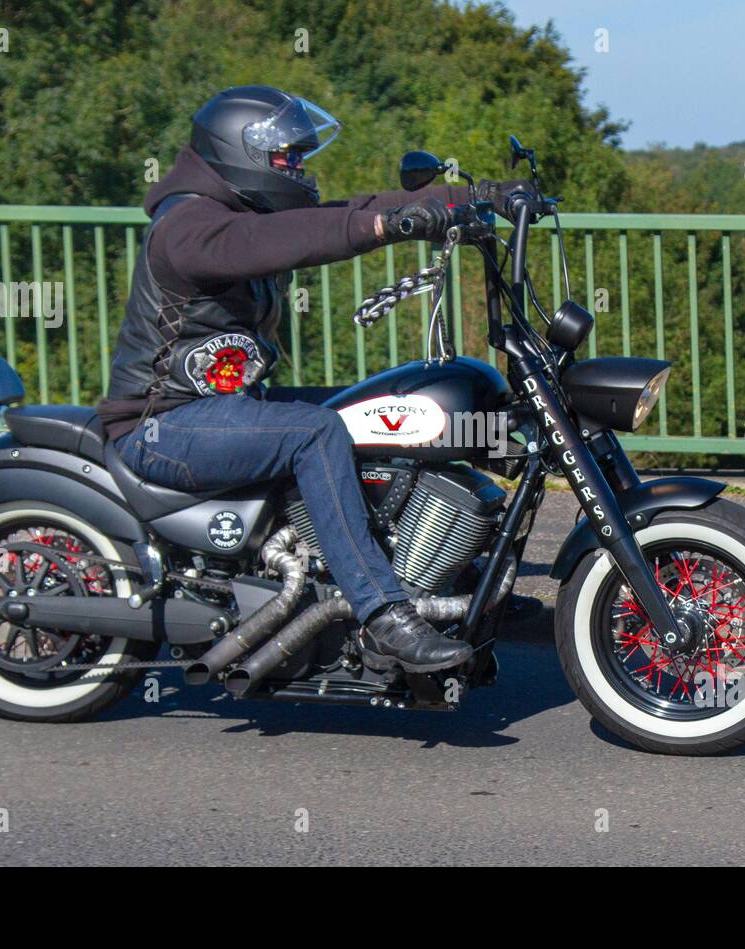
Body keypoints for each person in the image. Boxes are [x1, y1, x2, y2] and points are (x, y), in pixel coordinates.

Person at [97, 85, 531, 673]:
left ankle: (456, 579)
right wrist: (387, 226)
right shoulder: (189, 224)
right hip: (163, 425)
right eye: (286, 158)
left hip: (219, 409)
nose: (299, 168)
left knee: (378, 412)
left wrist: (476, 197)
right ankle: (383, 615)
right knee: (317, 433)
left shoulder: (236, 211)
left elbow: (340, 211)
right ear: (239, 151)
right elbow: (291, 239)